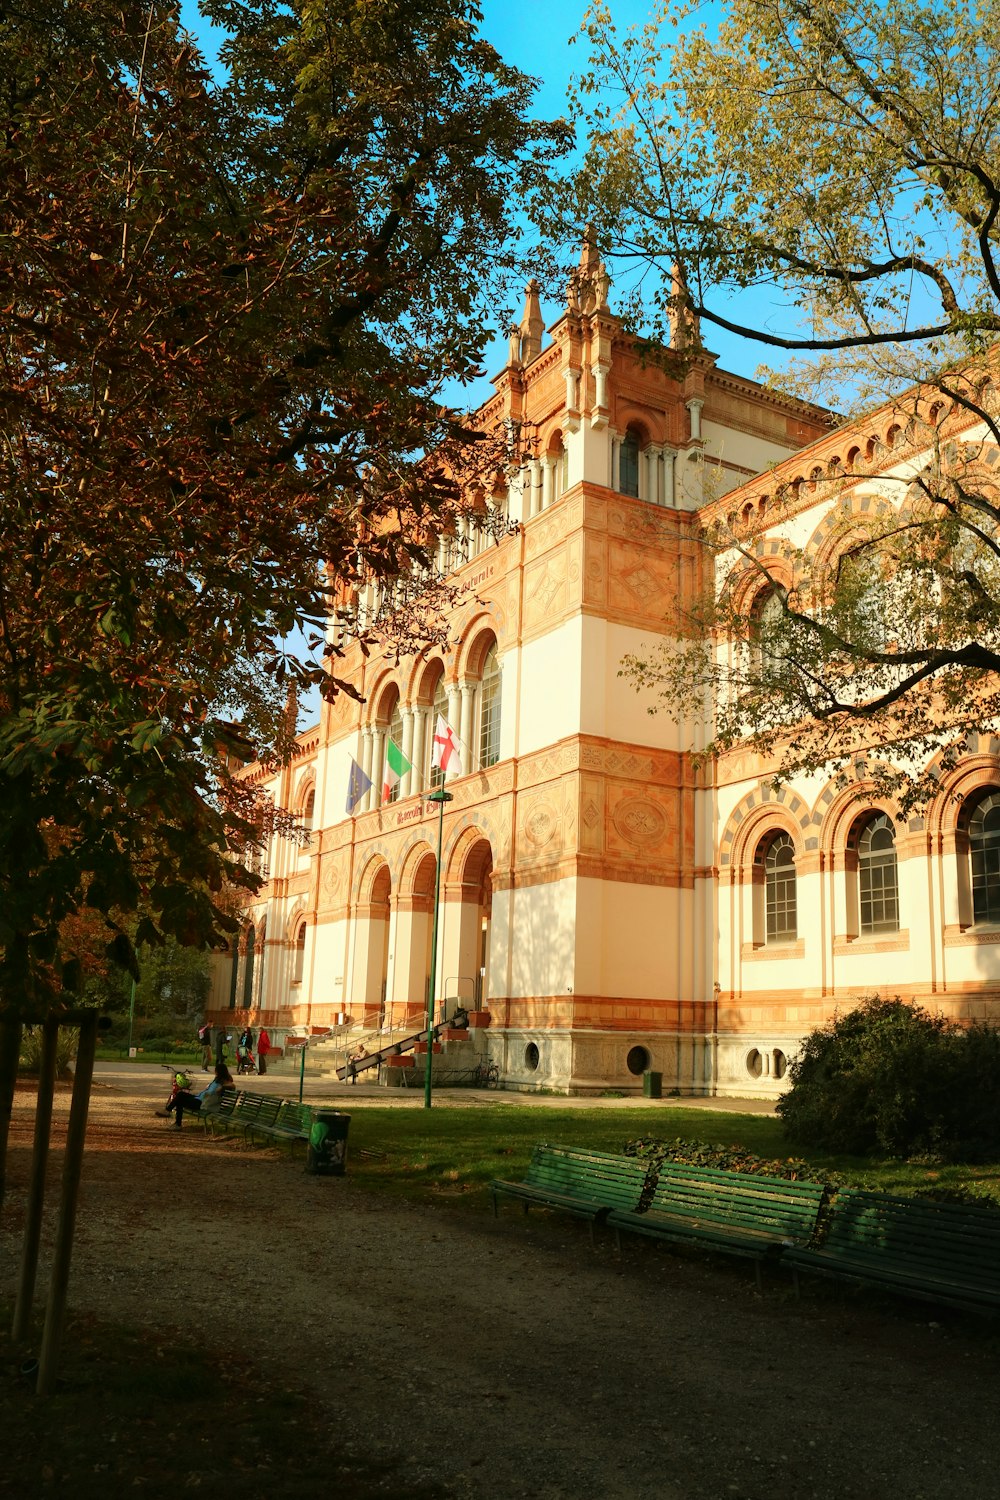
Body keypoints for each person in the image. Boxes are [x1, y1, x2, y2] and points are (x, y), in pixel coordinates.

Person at [165, 1062, 234, 1131]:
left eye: (215, 1070)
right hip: (199, 1098)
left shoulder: (224, 1081)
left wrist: (222, 1087)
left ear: (219, 1072)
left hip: (202, 1103)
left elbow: (232, 1085)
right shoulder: (217, 1080)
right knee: (181, 1094)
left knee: (179, 1101)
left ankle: (177, 1123)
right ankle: (169, 1112)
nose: (214, 1072)